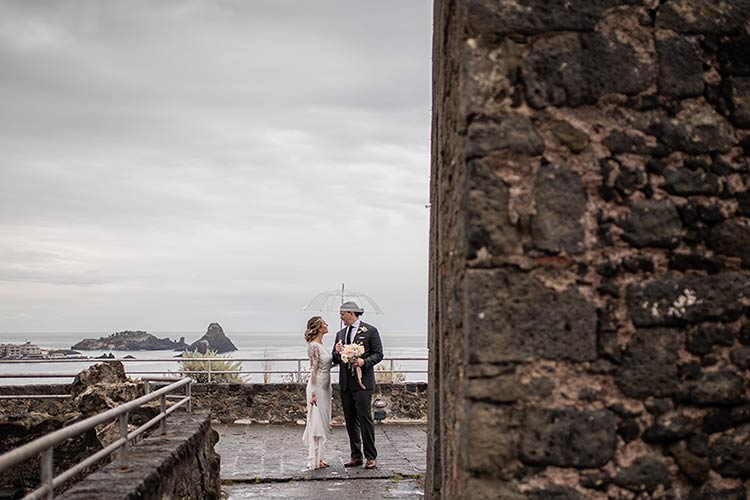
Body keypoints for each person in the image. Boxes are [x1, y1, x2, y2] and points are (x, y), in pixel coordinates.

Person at [332, 301, 384, 469]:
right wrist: (337, 351)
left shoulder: (370, 331)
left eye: (342, 314)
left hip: (363, 384)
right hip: (346, 383)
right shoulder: (340, 334)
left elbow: (378, 354)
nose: (340, 317)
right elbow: (335, 359)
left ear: (352, 313)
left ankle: (371, 456)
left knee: (364, 419)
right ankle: (356, 456)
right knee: (350, 420)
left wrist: (363, 361)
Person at [302, 316, 333, 469]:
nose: (327, 324)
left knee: (323, 421)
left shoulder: (322, 345)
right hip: (318, 386)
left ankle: (320, 457)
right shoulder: (314, 346)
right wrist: (313, 392)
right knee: (316, 422)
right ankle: (315, 459)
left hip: (326, 386)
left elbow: (325, 365)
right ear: (319, 327)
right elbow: (314, 370)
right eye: (324, 323)